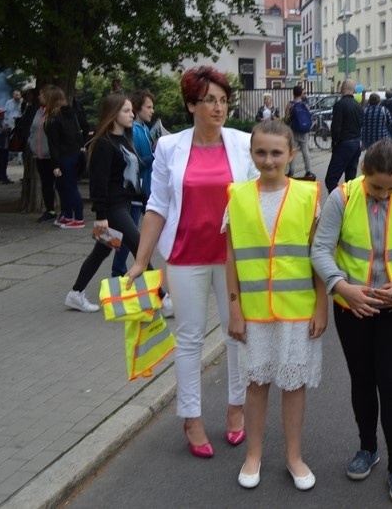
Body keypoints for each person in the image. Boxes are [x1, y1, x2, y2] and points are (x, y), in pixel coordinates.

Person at [127, 66, 258, 459]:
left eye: (223, 100)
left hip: (232, 258)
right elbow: (157, 207)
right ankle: (191, 416)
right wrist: (141, 262)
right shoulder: (170, 148)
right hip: (185, 256)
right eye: (209, 101)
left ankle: (236, 408)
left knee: (238, 335)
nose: (219, 108)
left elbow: (258, 200)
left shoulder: (243, 143)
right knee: (189, 338)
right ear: (191, 104)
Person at [311, 139, 392, 504]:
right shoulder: (342, 198)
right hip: (353, 306)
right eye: (376, 186)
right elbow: (320, 248)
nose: (383, 194)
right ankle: (368, 448)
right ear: (363, 175)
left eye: (391, 187)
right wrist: (341, 287)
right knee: (362, 380)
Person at [225, 120, 327, 491]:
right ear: (252, 154)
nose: (268, 160)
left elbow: (319, 255)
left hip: (297, 308)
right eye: (261, 152)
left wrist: (321, 306)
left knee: (293, 384)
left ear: (292, 154)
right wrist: (234, 308)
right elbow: (232, 257)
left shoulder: (308, 195)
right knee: (255, 383)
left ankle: (294, 457)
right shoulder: (237, 195)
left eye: (276, 153)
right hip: (253, 310)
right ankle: (253, 455)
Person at [64, 93, 172, 315]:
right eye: (126, 110)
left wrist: (146, 201)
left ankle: (75, 293)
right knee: (140, 248)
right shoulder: (104, 144)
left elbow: (131, 178)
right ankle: (162, 299)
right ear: (113, 114)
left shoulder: (125, 139)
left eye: (132, 110)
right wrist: (101, 215)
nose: (131, 114)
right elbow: (98, 184)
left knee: (101, 251)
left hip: (122, 205)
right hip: (112, 210)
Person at [112, 89, 156, 277]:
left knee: (118, 238)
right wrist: (155, 155)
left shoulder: (144, 129)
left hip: (140, 191)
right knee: (128, 237)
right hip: (131, 194)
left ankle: (118, 271)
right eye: (149, 107)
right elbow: (134, 163)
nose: (152, 111)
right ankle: (119, 271)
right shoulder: (133, 132)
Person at [44, 86, 85, 227]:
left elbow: (54, 143)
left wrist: (55, 164)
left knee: (69, 186)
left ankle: (78, 218)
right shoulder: (70, 113)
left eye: (42, 95)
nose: (40, 98)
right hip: (74, 154)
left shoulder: (54, 119)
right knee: (63, 186)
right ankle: (68, 215)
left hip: (65, 156)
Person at [326, 79, 363, 193]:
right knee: (351, 180)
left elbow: (336, 127)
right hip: (357, 144)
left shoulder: (340, 105)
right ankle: (350, 203)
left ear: (342, 88)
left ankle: (337, 203)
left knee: (331, 179)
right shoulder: (358, 106)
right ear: (353, 90)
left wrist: (334, 143)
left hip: (344, 144)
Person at [27, 86, 58, 222]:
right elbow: (33, 130)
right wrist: (30, 142)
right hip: (39, 154)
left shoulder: (56, 113)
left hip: (53, 155)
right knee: (46, 184)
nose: (39, 97)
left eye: (41, 95)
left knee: (60, 183)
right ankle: (50, 210)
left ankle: (68, 212)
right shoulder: (39, 111)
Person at [283, 85, 315, 180]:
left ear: (293, 93)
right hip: (304, 131)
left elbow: (286, 118)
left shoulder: (290, 104)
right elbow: (309, 116)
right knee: (305, 151)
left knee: (293, 151)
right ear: (301, 93)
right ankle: (308, 171)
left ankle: (291, 171)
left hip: (294, 131)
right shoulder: (305, 105)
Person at [5, 90, 23, 163]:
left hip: (20, 122)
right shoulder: (9, 102)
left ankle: (20, 158)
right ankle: (10, 155)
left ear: (20, 95)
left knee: (19, 139)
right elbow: (6, 113)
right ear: (13, 95)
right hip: (11, 122)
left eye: (18, 95)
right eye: (16, 95)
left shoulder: (23, 102)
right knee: (10, 138)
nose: (17, 96)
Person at [0, 109, 10, 183]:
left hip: (5, 145)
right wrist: (1, 131)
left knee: (5, 162)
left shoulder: (5, 122)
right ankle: (0, 177)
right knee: (1, 163)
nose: (2, 115)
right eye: (1, 114)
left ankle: (4, 176)